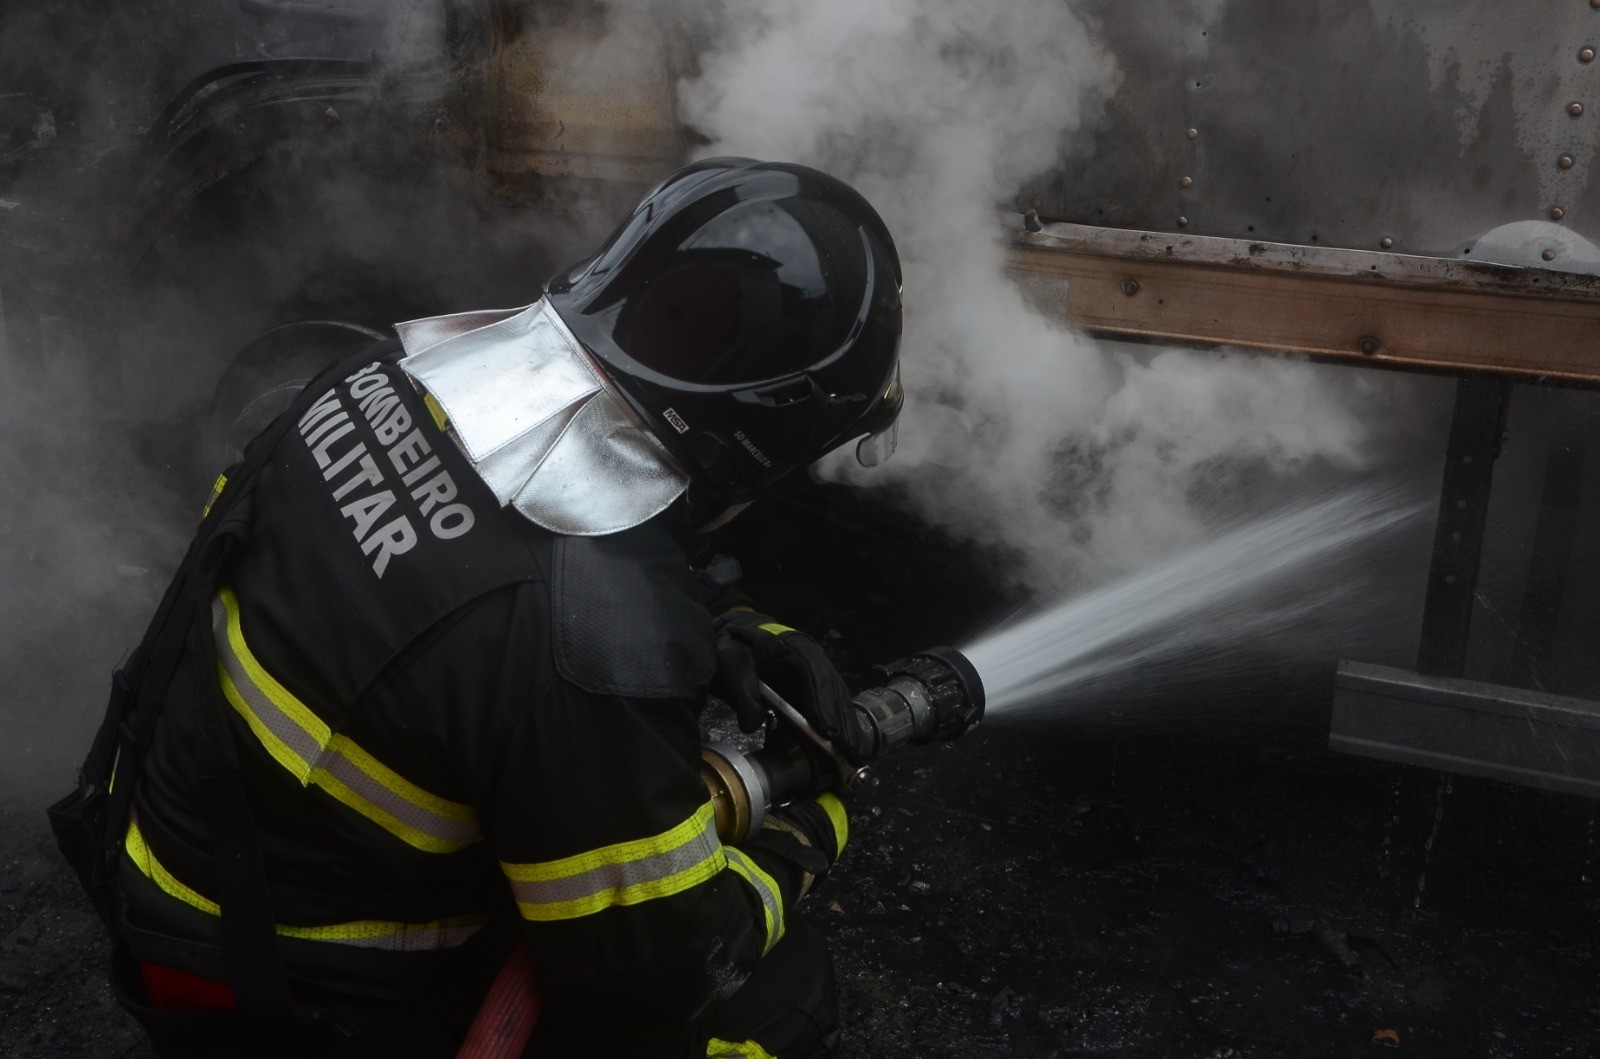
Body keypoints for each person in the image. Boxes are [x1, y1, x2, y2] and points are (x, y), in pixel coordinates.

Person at [75, 157, 905, 1057]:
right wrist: (801, 833)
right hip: (284, 989)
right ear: (760, 439)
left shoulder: (392, 370)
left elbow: (467, 586)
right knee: (777, 999)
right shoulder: (587, 646)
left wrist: (719, 634)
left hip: (174, 865)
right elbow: (660, 980)